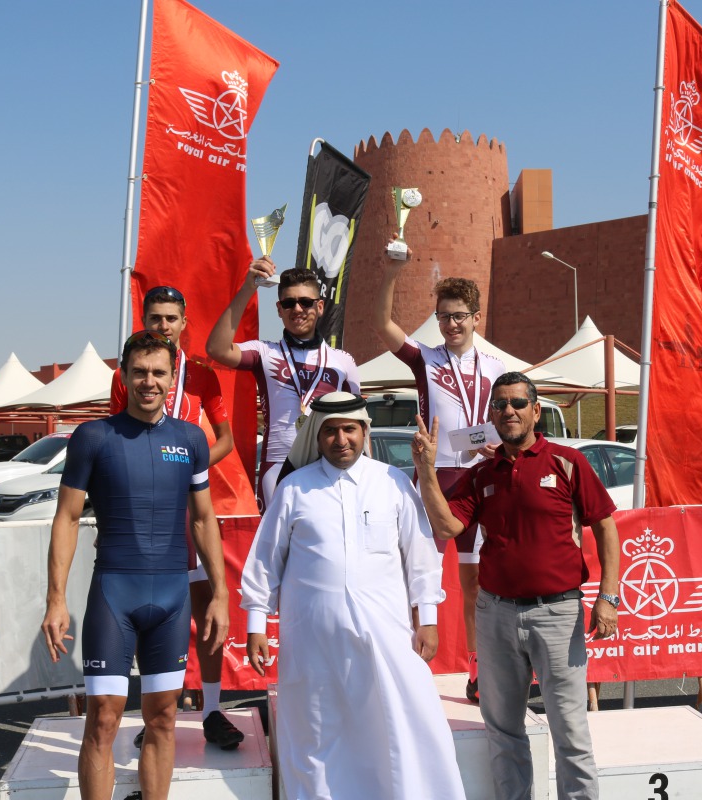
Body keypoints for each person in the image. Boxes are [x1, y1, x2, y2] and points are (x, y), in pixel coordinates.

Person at [240, 392, 466, 800]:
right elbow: (264, 562)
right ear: (318, 436)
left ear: (365, 431)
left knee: (398, 724)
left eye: (349, 429)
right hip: (312, 639)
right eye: (330, 431)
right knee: (316, 732)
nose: (340, 439)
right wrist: (256, 624)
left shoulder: (393, 482)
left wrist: (427, 618)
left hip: (386, 633)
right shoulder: (294, 489)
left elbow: (419, 555)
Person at [412, 372, 621, 800]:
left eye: (517, 403)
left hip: (559, 613)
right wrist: (426, 471)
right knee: (504, 731)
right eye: (500, 404)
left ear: (535, 411)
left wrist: (608, 597)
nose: (508, 410)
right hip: (496, 615)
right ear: (492, 415)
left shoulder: (567, 462)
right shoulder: (483, 473)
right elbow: (447, 526)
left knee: (571, 733)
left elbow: (605, 526)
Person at [42, 331, 230, 800]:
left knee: (164, 717)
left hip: (170, 595)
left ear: (172, 379)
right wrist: (56, 599)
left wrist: (222, 595)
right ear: (124, 376)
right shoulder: (94, 437)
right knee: (103, 717)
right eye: (140, 371)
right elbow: (66, 517)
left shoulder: (190, 440)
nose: (149, 381)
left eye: (158, 372)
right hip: (114, 593)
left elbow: (204, 519)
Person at [109, 285, 243, 750]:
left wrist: (192, 468)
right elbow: (116, 438)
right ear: (143, 319)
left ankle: (210, 710)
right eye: (154, 317)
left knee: (206, 607)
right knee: (152, 613)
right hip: (145, 512)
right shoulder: (128, 374)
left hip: (190, 507)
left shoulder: (203, 376)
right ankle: (156, 712)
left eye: (170, 318)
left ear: (184, 322)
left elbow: (225, 438)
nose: (162, 325)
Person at [374, 253, 506, 703]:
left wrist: (500, 448)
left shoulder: (493, 367)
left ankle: (477, 672)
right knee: (418, 577)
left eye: (459, 317)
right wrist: (392, 274)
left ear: (476, 317)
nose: (451, 325)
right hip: (435, 479)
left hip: (481, 478)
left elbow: (513, 421)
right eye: (444, 317)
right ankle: (411, 667)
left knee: (474, 584)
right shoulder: (425, 359)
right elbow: (382, 326)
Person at [206, 258, 359, 509]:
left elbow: (360, 424)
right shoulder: (264, 353)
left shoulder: (343, 361)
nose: (297, 309)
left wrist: (365, 468)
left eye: (306, 302)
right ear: (279, 309)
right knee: (280, 546)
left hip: (330, 462)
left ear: (320, 307)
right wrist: (248, 287)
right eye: (289, 303)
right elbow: (216, 348)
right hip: (278, 463)